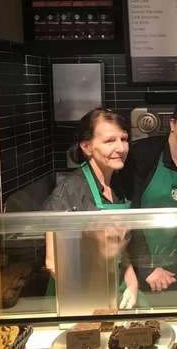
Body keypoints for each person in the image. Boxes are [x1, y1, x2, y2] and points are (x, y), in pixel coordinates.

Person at [114, 97, 177, 299]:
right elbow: (127, 217)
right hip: (140, 273)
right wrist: (148, 268)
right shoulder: (142, 155)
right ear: (172, 123)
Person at [42, 108, 137, 307]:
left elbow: (120, 247)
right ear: (86, 146)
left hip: (113, 287)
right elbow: (53, 263)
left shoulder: (120, 185)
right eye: (110, 141)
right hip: (77, 297)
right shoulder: (69, 191)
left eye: (124, 139)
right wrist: (90, 301)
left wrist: (131, 279)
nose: (121, 148)